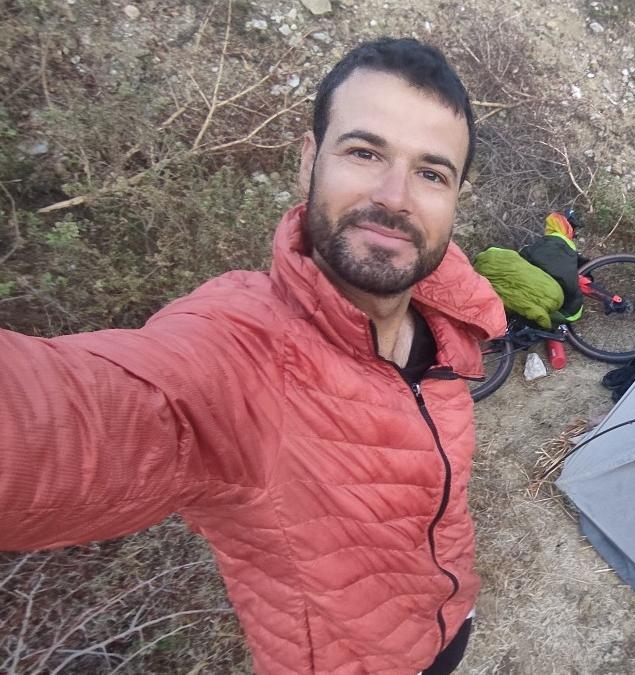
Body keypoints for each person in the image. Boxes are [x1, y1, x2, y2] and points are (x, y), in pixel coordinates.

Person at [0, 38, 505, 674]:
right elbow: (74, 413)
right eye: (364, 152)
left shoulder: (448, 315)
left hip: (448, 629)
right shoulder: (238, 351)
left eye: (431, 173)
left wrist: (455, 605)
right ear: (308, 161)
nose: (395, 195)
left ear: (456, 198)